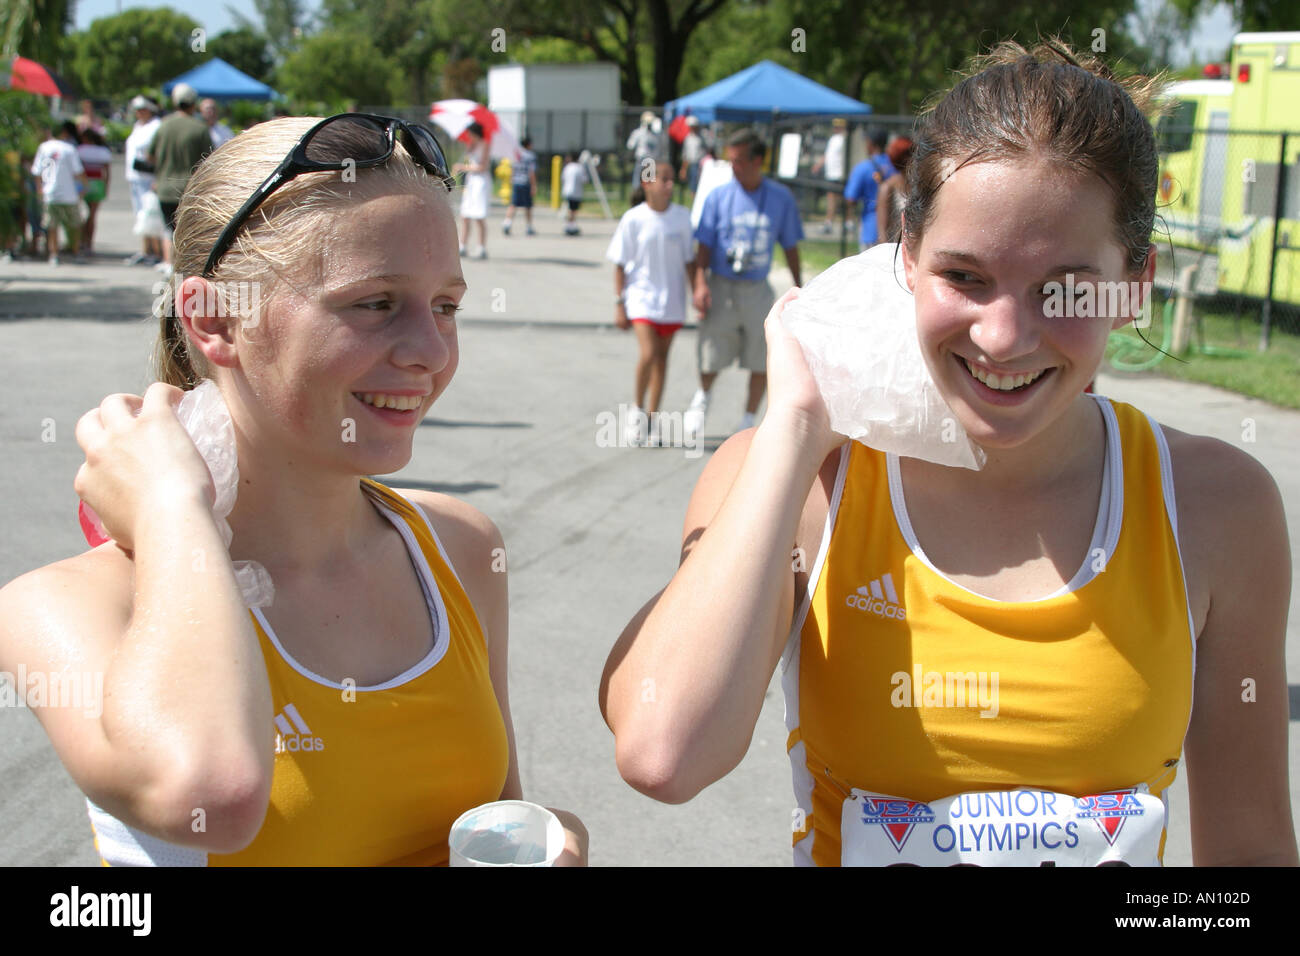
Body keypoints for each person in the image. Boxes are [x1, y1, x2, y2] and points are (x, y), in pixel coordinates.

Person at [599, 39, 1297, 867]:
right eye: (964, 276)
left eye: (1066, 289)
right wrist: (791, 426)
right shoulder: (806, 479)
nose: (1003, 336)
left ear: (1134, 283)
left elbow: (1249, 854)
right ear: (907, 259)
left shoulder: (1214, 504)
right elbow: (664, 752)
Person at [0, 114, 588, 866]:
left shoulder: (463, 549)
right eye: (374, 303)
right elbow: (213, 794)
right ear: (215, 321)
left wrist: (552, 836)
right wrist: (172, 508)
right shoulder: (67, 606)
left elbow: (492, 816)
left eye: (447, 306)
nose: (430, 352)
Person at [685, 128, 802, 439]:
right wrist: (700, 283)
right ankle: (703, 397)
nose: (732, 167)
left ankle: (748, 418)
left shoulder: (779, 198)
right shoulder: (718, 197)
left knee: (761, 354)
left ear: (757, 161)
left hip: (756, 289)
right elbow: (704, 246)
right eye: (730, 161)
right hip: (722, 284)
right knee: (711, 350)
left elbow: (790, 245)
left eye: (738, 161)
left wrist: (800, 287)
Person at [606, 161, 695, 446]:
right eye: (664, 180)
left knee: (662, 360)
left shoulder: (682, 219)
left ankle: (653, 418)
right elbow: (619, 265)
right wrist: (620, 303)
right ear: (647, 183)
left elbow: (691, 263)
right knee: (649, 353)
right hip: (641, 299)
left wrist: (699, 292)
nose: (670, 185)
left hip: (672, 302)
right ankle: (636, 409)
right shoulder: (633, 219)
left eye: (672, 180)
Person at [148, 83, 213, 274]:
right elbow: (210, 159)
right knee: (187, 230)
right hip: (189, 189)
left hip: (164, 188)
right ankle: (184, 266)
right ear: (193, 103)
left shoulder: (164, 125)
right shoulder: (199, 128)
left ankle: (169, 264)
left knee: (169, 229)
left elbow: (150, 156)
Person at [29, 120, 85, 266]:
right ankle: (75, 251)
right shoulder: (69, 149)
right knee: (74, 225)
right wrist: (84, 187)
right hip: (69, 193)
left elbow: (36, 171)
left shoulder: (44, 147)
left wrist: (40, 189)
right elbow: (78, 172)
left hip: (50, 193)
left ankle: (54, 254)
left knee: (52, 226)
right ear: (64, 133)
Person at [124, 95, 163, 266]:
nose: (139, 113)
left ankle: (156, 251)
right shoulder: (138, 126)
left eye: (143, 109)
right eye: (137, 110)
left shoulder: (156, 126)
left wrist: (158, 177)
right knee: (141, 214)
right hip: (135, 177)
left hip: (148, 177)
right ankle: (146, 250)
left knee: (151, 214)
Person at [843, 127, 896, 251]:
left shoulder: (863, 168)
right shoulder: (895, 165)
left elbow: (851, 198)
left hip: (871, 227)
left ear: (870, 143)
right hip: (895, 227)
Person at [453, 122, 490, 259]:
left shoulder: (485, 144)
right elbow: (469, 160)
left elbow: (483, 166)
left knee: (479, 215)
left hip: (481, 181)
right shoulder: (471, 145)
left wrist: (463, 167)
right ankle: (463, 245)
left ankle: (481, 247)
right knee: (465, 214)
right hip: (471, 181)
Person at [76, 128, 112, 257]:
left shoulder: (79, 150)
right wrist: (106, 187)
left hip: (82, 183)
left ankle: (80, 241)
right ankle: (89, 243)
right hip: (97, 183)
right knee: (92, 216)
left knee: (81, 214)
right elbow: (107, 173)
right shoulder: (103, 151)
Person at [874, 135, 914, 246]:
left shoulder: (919, 186)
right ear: (905, 158)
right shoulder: (888, 187)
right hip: (895, 248)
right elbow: (882, 230)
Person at [811, 118, 847, 234]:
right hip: (831, 173)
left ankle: (842, 222)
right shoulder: (833, 139)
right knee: (832, 198)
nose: (835, 128)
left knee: (842, 199)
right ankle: (830, 222)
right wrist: (818, 165)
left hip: (840, 173)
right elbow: (827, 155)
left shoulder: (843, 139)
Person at [502, 135, 537, 236]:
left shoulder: (516, 155)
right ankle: (529, 227)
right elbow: (531, 172)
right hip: (526, 182)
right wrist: (534, 185)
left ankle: (507, 223)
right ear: (529, 144)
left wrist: (511, 179)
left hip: (516, 181)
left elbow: (512, 168)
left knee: (514, 204)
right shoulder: (530, 156)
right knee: (528, 206)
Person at [626, 111, 663, 187]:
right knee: (638, 182)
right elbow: (630, 145)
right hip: (641, 159)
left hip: (650, 161)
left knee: (648, 184)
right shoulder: (638, 133)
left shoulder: (655, 135)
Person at [678, 116, 706, 197]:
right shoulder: (688, 138)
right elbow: (685, 155)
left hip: (701, 165)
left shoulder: (702, 137)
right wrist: (683, 169)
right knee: (693, 186)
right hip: (692, 164)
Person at [561, 152, 587, 236]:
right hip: (576, 192)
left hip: (567, 191)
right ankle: (570, 226)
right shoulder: (580, 167)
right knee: (573, 210)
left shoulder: (567, 167)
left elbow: (563, 178)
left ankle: (570, 225)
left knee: (571, 209)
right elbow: (584, 180)